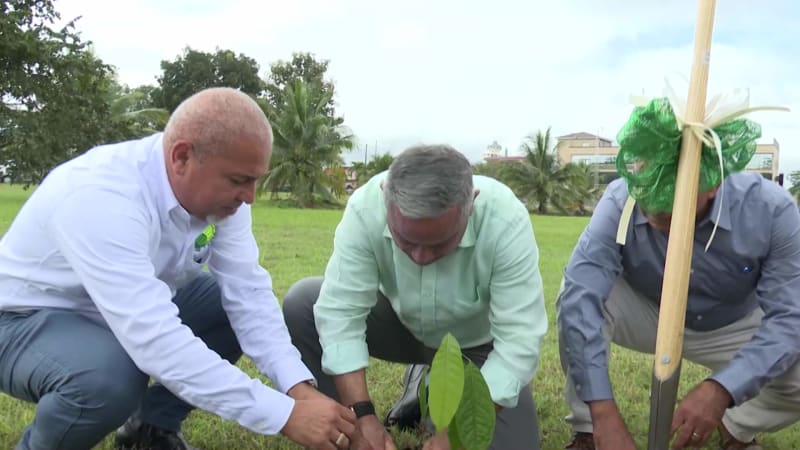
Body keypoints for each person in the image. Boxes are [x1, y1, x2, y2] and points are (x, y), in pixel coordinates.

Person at [0, 87, 357, 450]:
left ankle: (149, 428)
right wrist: (282, 414)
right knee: (106, 380)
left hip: (124, 308)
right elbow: (155, 339)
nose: (250, 196)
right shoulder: (102, 197)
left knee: (224, 308)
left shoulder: (224, 199)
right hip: (25, 318)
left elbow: (247, 292)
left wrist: (297, 388)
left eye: (255, 180)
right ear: (182, 156)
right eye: (239, 180)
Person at [283, 144, 548, 450]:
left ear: (471, 204)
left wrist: (455, 437)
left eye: (440, 244)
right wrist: (362, 416)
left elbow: (518, 341)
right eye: (406, 241)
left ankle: (428, 387)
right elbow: (341, 312)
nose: (421, 258)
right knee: (303, 302)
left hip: (474, 346)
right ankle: (342, 427)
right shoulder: (365, 209)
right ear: (385, 196)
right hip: (398, 326)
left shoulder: (504, 220)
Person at [557, 116, 800, 448]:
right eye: (649, 198)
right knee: (575, 296)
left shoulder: (772, 210)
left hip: (734, 323)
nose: (655, 213)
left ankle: (735, 424)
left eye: (671, 206)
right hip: (650, 313)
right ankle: (590, 429)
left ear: (713, 185)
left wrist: (722, 389)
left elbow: (789, 319)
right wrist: (603, 413)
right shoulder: (619, 201)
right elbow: (581, 297)